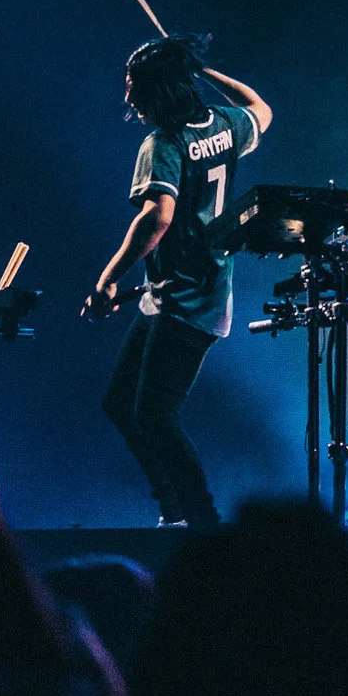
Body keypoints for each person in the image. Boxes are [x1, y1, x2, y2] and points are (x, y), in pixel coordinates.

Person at [83, 35, 271, 528]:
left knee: (154, 415)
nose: (128, 99)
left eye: (134, 89)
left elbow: (157, 217)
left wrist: (106, 279)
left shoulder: (162, 144)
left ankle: (201, 521)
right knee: (122, 404)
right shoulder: (225, 126)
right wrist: (203, 72)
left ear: (158, 92)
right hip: (178, 292)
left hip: (189, 299)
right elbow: (259, 108)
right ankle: (174, 507)